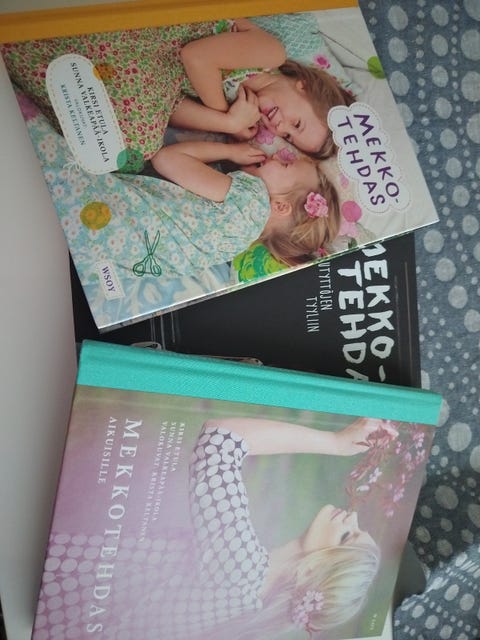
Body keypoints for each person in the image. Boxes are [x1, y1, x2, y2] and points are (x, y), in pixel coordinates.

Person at [125, 415, 396, 640]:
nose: (352, 516)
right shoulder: (247, 601)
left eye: (346, 536)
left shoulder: (240, 570)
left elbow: (220, 439)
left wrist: (335, 442)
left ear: (311, 571)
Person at [1, 15, 354, 171]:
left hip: (159, 69)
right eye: (296, 122)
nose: (280, 128)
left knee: (136, 147)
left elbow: (173, 107)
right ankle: (25, 45)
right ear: (304, 86)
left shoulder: (241, 105)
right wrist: (224, 116)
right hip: (169, 37)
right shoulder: (270, 55)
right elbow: (196, 56)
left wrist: (228, 125)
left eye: (288, 136)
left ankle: (24, 61)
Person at [150, 138, 341, 270]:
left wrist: (229, 151)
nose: (276, 155)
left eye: (285, 164)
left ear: (281, 206)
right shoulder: (238, 245)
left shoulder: (251, 200)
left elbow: (164, 159)